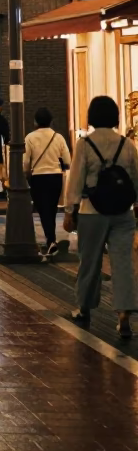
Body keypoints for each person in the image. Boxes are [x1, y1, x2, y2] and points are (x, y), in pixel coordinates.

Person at [65, 95, 138, 337]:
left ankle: (84, 308)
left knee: (90, 261)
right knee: (123, 263)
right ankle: (124, 313)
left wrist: (69, 211)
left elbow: (75, 180)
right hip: (122, 213)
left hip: (91, 212)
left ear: (92, 116)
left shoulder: (85, 145)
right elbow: (135, 179)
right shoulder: (126, 144)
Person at [24, 107, 71, 257]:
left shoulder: (30, 137)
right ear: (51, 121)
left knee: (43, 209)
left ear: (35, 121)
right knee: (51, 208)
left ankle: (51, 241)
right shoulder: (58, 137)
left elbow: (25, 162)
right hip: (55, 177)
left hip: (38, 177)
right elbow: (68, 161)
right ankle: (51, 239)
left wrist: (26, 174)